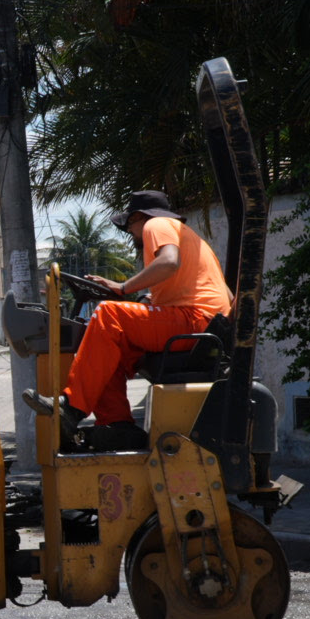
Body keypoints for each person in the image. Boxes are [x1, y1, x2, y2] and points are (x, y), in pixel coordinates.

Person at [26, 190, 233, 448]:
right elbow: (224, 295)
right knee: (111, 348)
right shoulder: (196, 242)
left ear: (138, 217)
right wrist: (149, 301)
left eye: (129, 226)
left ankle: (72, 408)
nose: (131, 233)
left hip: (193, 322)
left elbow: (169, 262)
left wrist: (123, 288)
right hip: (203, 325)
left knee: (108, 313)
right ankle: (118, 427)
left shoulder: (156, 224)